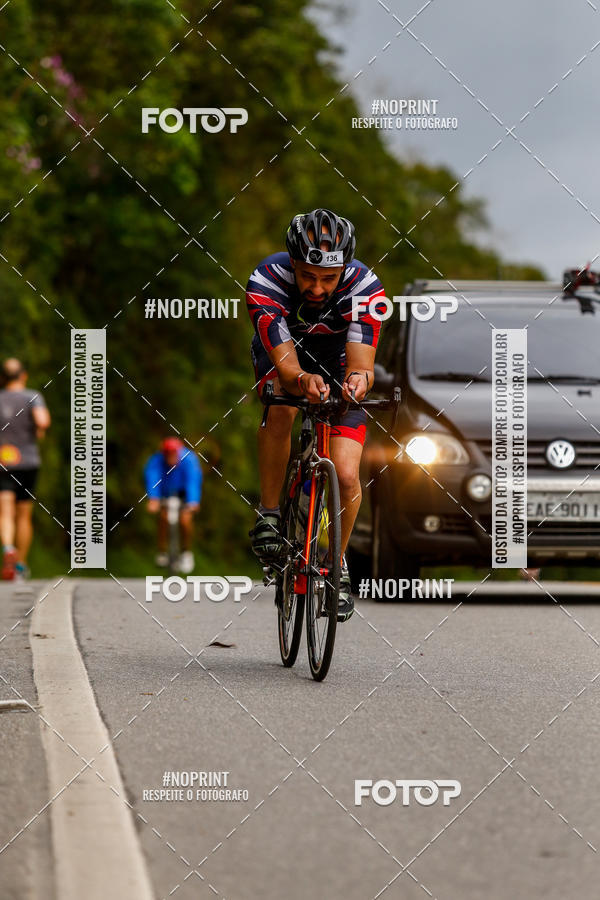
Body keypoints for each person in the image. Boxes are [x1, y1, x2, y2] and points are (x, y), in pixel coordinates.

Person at [246, 208, 386, 621]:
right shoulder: (267, 280)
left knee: (345, 474)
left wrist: (356, 385)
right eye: (308, 276)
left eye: (329, 278)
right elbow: (287, 369)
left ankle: (335, 564)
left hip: (341, 359)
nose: (319, 288)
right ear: (293, 263)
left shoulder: (365, 288)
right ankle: (270, 514)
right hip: (286, 353)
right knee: (281, 406)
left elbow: (363, 366)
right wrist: (300, 379)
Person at [0, 358, 51, 580]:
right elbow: (42, 422)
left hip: (3, 462)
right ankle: (21, 564)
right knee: (23, 514)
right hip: (28, 462)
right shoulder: (33, 397)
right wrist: (37, 432)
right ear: (24, 375)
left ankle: (8, 548)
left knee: (5, 512)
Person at [143, 437, 203, 573]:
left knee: (185, 521)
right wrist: (153, 498)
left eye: (173, 455)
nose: (171, 459)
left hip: (183, 494)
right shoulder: (156, 460)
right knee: (164, 517)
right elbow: (152, 477)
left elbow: (192, 481)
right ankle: (162, 551)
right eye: (167, 455)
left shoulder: (189, 459)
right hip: (165, 493)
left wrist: (193, 501)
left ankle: (186, 552)